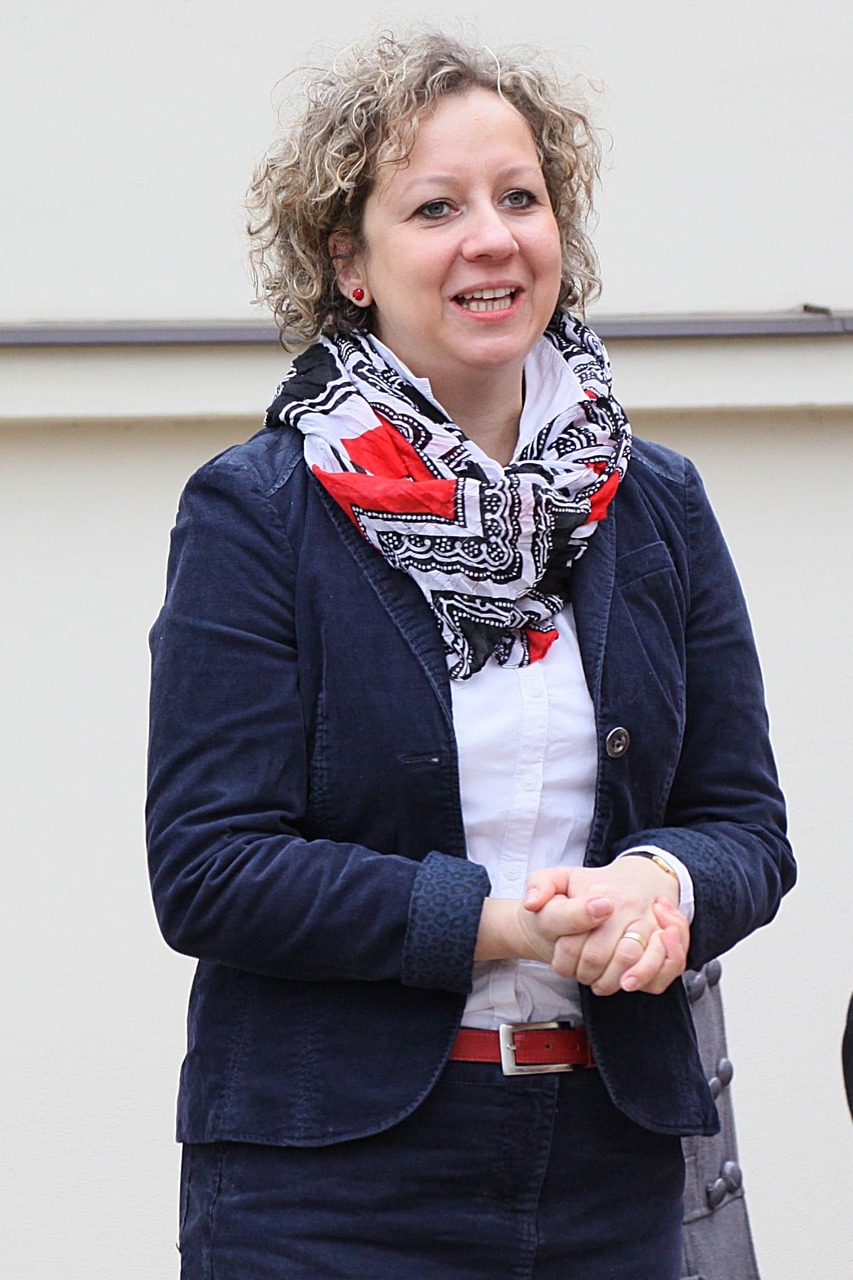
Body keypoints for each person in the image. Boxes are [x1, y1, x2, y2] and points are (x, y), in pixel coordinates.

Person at [146, 32, 795, 1280]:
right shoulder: (258, 510)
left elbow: (746, 825)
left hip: (611, 1170)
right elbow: (210, 868)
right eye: (435, 207)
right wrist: (503, 923)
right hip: (330, 1189)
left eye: (519, 198)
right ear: (348, 260)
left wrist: (658, 883)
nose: (490, 239)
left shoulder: (654, 500)